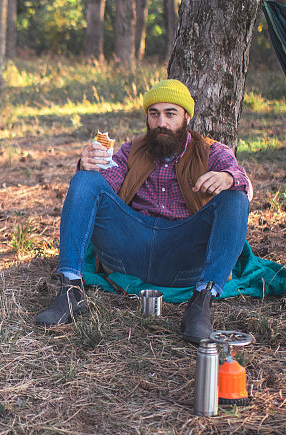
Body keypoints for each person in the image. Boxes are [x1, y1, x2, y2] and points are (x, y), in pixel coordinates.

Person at [35, 79, 252, 344]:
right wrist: (87, 164)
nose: (161, 122)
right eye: (154, 114)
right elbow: (104, 187)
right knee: (85, 180)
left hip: (182, 256)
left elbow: (239, 176)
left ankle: (201, 302)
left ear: (186, 117)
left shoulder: (211, 150)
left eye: (170, 114)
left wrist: (228, 178)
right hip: (129, 250)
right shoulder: (130, 150)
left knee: (236, 199)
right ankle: (71, 290)